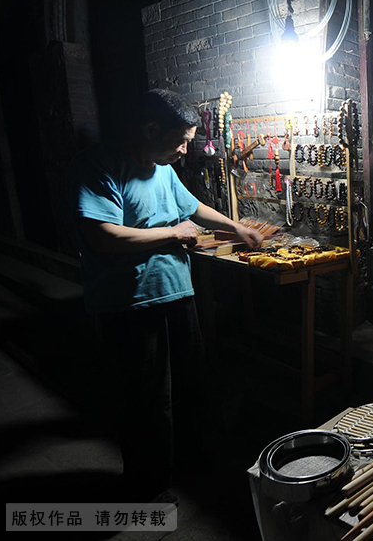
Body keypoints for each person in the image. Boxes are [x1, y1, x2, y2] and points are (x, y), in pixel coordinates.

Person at [70, 89, 263, 500]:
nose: (184, 150)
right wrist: (172, 233)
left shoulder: (162, 169)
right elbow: (102, 235)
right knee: (145, 399)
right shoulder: (100, 165)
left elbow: (191, 206)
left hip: (176, 291)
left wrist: (237, 228)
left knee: (190, 385)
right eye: (180, 140)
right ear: (150, 129)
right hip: (130, 303)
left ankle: (190, 467)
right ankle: (148, 487)